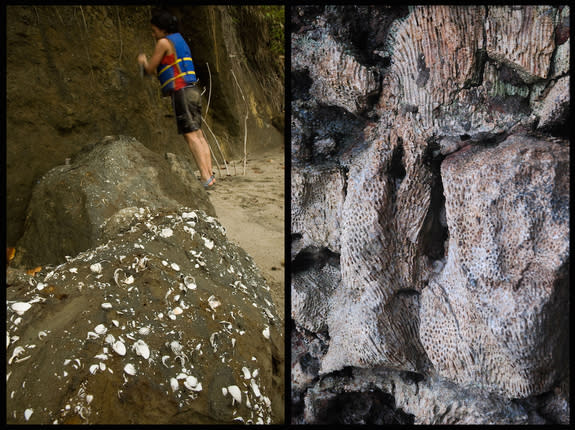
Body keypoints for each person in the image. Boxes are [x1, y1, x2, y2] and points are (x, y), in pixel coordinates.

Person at [138, 10, 215, 189]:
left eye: (154, 30)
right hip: (193, 90)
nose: (153, 34)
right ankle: (209, 175)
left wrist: (142, 61)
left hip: (181, 92)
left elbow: (150, 69)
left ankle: (205, 177)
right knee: (199, 134)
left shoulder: (164, 42)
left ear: (163, 30)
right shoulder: (179, 39)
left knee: (191, 136)